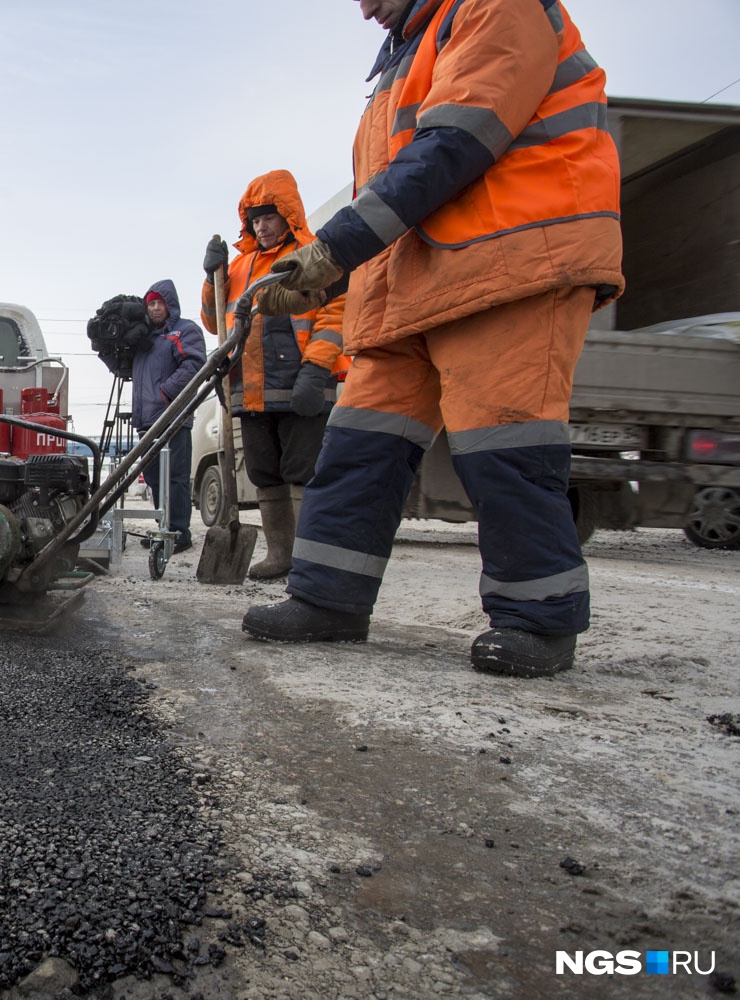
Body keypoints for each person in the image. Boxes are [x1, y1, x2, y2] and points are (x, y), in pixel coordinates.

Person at [242, 0, 623, 678]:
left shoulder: (494, 6)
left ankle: (537, 619)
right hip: (410, 288)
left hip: (511, 266)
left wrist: (333, 252)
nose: (361, 9)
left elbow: (452, 148)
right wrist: (331, 279)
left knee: (503, 447)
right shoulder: (402, 54)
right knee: (358, 446)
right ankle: (327, 599)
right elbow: (397, 185)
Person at [199, 170, 347, 580]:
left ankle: (310, 560)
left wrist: (316, 370)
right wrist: (211, 280)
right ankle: (281, 555)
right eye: (254, 220)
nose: (261, 226)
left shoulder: (311, 256)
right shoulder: (240, 267)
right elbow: (215, 323)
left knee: (304, 472)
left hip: (301, 384)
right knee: (266, 475)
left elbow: (334, 316)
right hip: (251, 390)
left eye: (269, 217)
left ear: (287, 215)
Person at [132, 280, 205, 553]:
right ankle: (163, 527)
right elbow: (124, 369)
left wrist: (166, 393)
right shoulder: (144, 337)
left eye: (160, 303)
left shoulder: (184, 330)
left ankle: (178, 532)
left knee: (174, 476)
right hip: (148, 419)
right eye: (150, 303)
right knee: (153, 477)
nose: (155, 308)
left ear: (170, 304)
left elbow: (195, 364)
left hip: (173, 418)